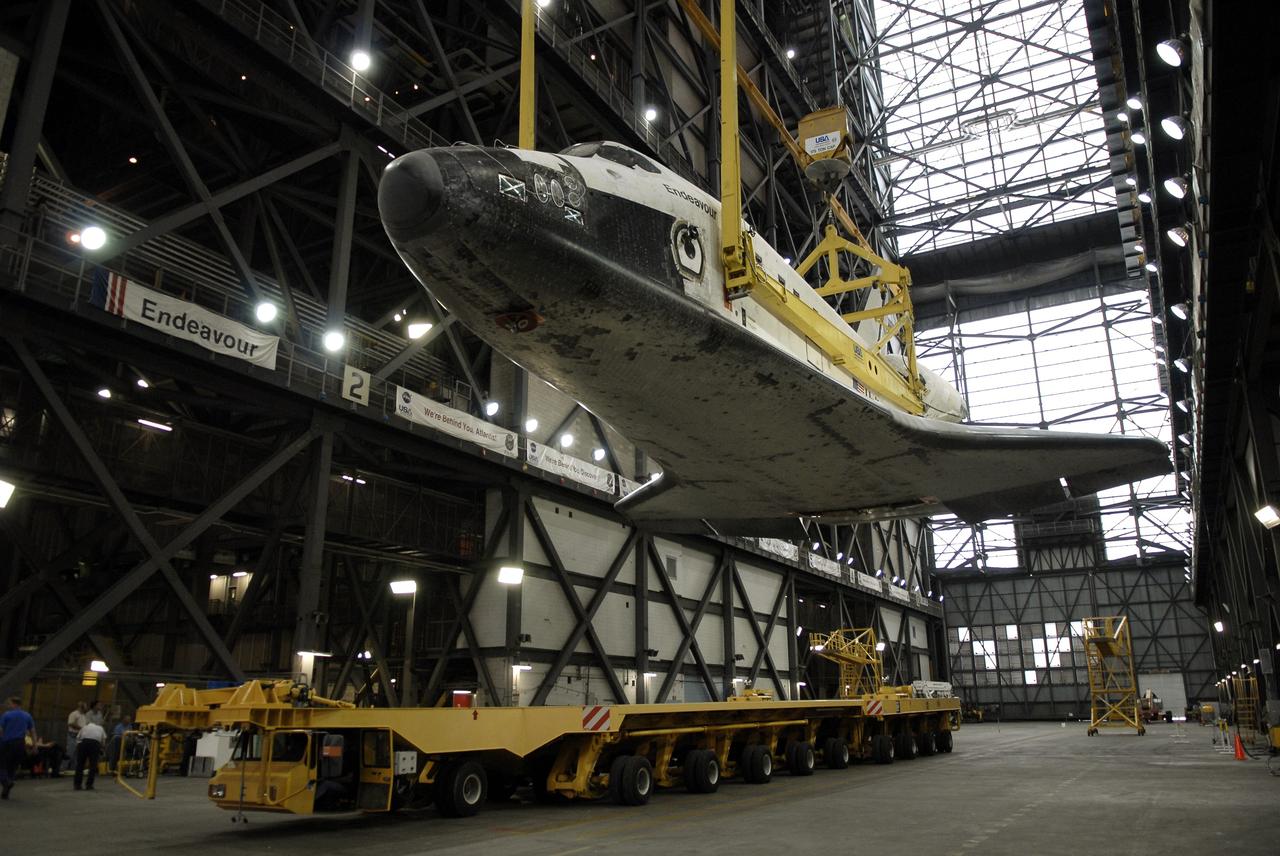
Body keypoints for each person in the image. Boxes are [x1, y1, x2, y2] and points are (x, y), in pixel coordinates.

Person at [1, 696, 37, 800]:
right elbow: (33, 732)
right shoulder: (27, 716)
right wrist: (34, 745)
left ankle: (6, 782)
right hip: (20, 744)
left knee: (2, 765)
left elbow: (0, 729)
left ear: (14, 704)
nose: (8, 706)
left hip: (7, 742)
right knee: (12, 766)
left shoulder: (7, 715)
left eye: (9, 703)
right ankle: (6, 791)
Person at [74, 718, 106, 791]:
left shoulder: (84, 727)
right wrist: (102, 749)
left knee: (80, 765)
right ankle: (89, 785)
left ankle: (77, 785)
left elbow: (78, 738)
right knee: (93, 765)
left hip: (83, 743)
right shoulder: (100, 728)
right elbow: (103, 740)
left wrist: (79, 748)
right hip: (95, 744)